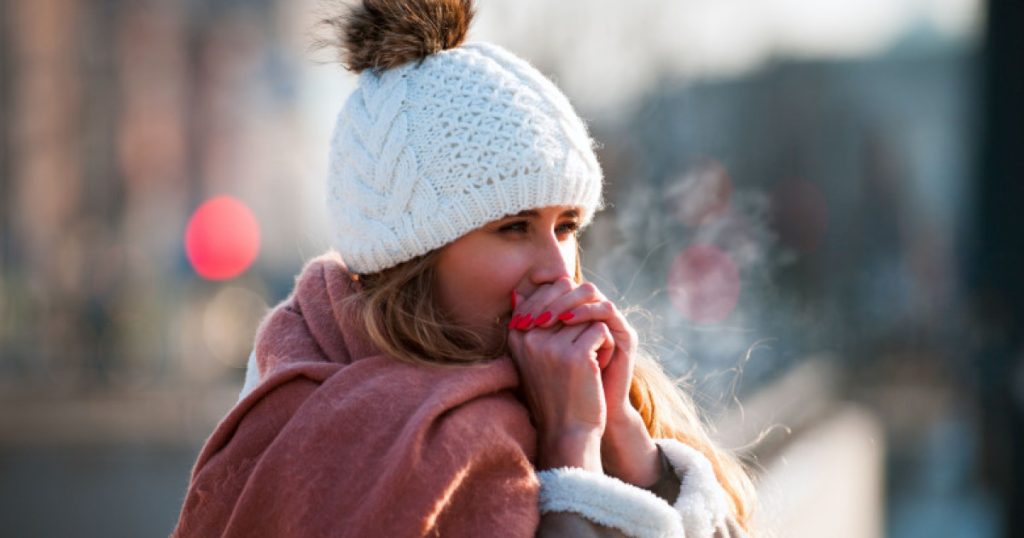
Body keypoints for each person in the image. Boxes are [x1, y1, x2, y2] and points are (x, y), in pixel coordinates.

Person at [173, 1, 757, 536]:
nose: (558, 269)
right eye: (513, 228)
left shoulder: (590, 391)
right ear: (414, 260)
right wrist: (570, 450)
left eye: (566, 227)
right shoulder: (327, 424)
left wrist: (629, 441)